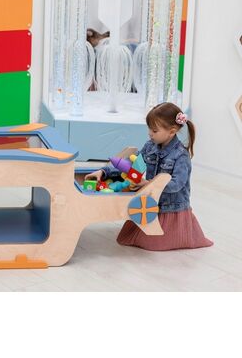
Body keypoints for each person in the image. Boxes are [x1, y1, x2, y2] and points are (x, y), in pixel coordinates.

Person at [86, 102, 213, 250]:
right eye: (149, 128)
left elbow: (177, 184)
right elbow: (131, 165)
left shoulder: (181, 155)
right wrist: (104, 172)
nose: (150, 133)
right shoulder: (150, 146)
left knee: (153, 243)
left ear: (172, 131)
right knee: (131, 238)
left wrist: (148, 184)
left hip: (170, 208)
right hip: (151, 203)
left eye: (154, 130)